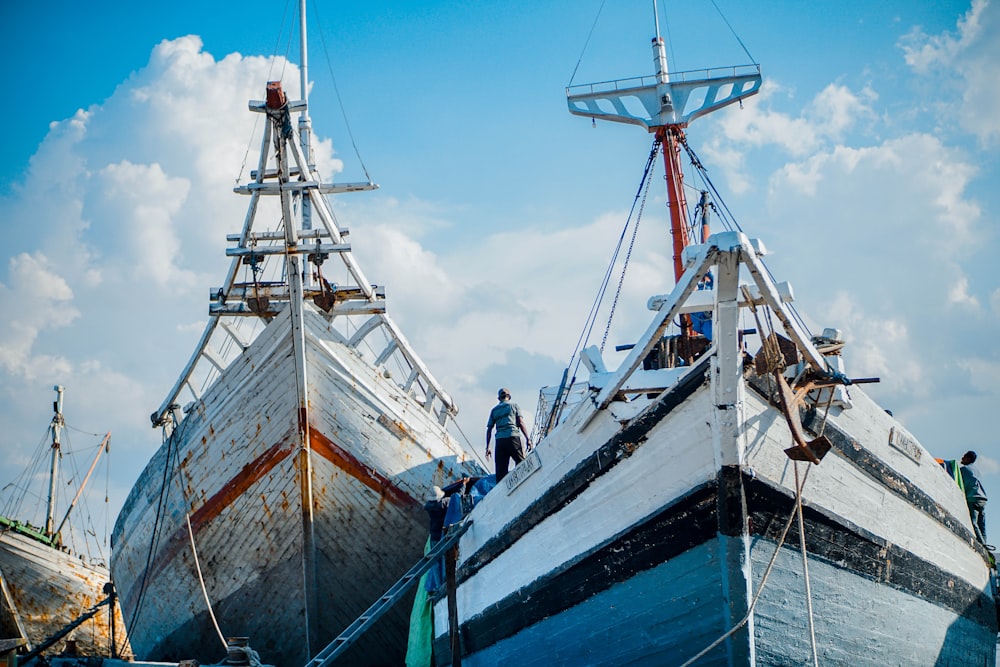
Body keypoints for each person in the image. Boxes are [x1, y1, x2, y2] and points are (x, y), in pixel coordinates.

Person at [485, 388, 531, 483]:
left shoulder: (494, 410)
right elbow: (521, 423)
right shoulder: (514, 406)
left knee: (501, 472)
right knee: (521, 464)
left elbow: (489, 429)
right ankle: (524, 484)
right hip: (513, 437)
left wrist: (488, 447)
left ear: (499, 398)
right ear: (509, 397)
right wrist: (528, 439)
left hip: (500, 441)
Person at [960, 451, 988, 543]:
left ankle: (983, 546)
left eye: (964, 457)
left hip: (973, 498)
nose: (962, 458)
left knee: (974, 523)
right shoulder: (977, 471)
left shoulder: (963, 470)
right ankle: (987, 547)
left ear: (968, 459)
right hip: (983, 499)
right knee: (982, 525)